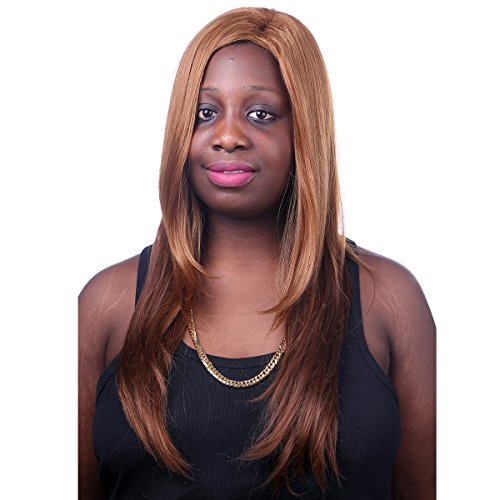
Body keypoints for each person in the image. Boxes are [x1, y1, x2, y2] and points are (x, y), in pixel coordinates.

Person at [79, 7, 436, 499]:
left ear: (304, 132)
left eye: (260, 114)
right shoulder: (107, 304)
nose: (227, 136)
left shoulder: (389, 301)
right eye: (205, 113)